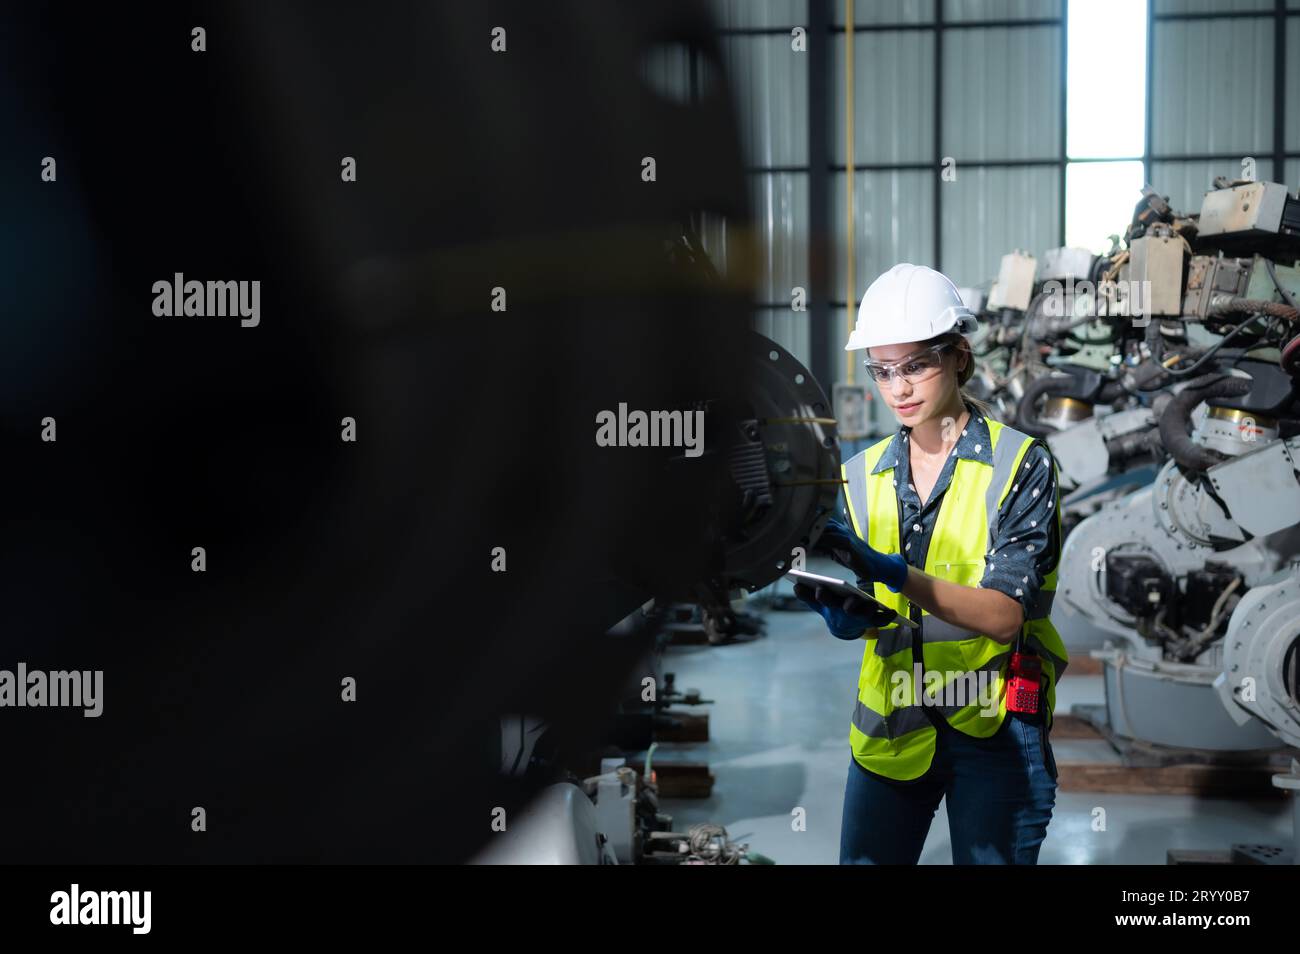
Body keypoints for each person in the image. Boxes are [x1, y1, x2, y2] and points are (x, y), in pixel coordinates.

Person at [795, 262, 1069, 865]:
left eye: (916, 365)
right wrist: (852, 613)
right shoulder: (860, 474)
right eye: (883, 371)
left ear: (959, 358)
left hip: (993, 723)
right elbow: (884, 605)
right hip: (893, 722)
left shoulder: (1020, 465)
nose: (899, 388)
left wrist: (894, 573)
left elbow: (1002, 616)